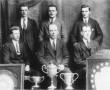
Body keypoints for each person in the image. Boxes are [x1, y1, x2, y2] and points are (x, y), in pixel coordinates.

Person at [37, 24, 70, 89]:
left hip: (60, 66)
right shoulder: (43, 43)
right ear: (48, 32)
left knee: (68, 74)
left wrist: (63, 65)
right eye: (51, 30)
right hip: (49, 68)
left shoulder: (62, 42)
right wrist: (47, 65)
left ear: (57, 32)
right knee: (52, 84)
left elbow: (66, 56)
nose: (53, 32)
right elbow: (40, 56)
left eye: (55, 30)